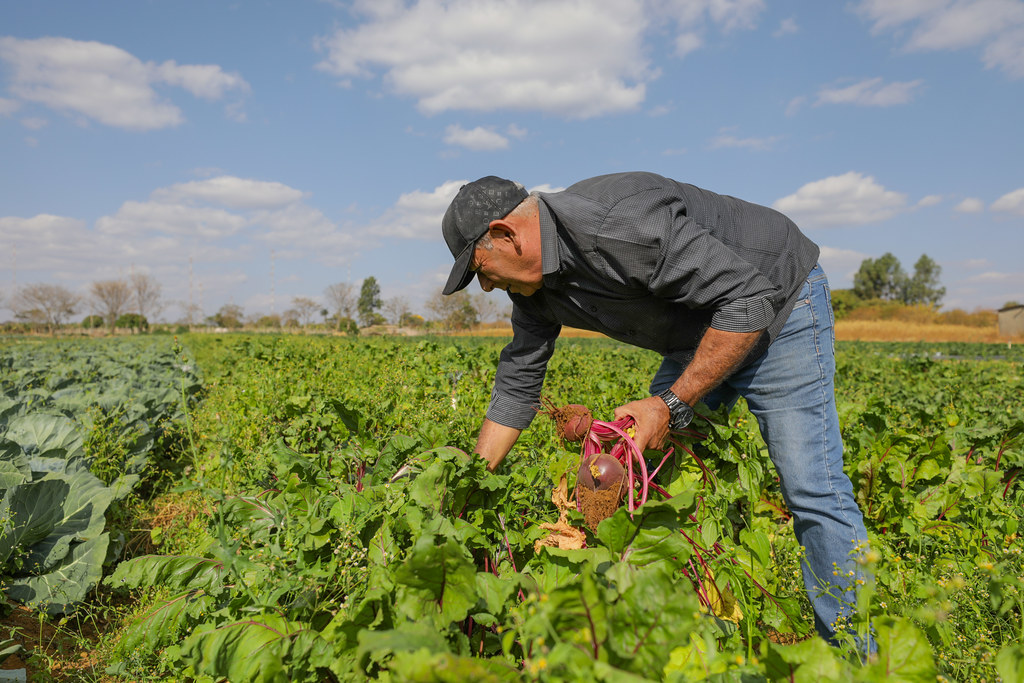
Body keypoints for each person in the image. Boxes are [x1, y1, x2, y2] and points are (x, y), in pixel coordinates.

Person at [440, 172, 872, 647]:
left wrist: (670, 403)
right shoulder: (534, 293)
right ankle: (676, 635)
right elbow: (518, 383)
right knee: (639, 482)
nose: (483, 287)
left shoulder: (616, 226)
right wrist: (469, 485)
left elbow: (750, 301)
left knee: (812, 488)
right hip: (701, 332)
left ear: (506, 234)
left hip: (778, 305)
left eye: (480, 269)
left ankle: (853, 654)